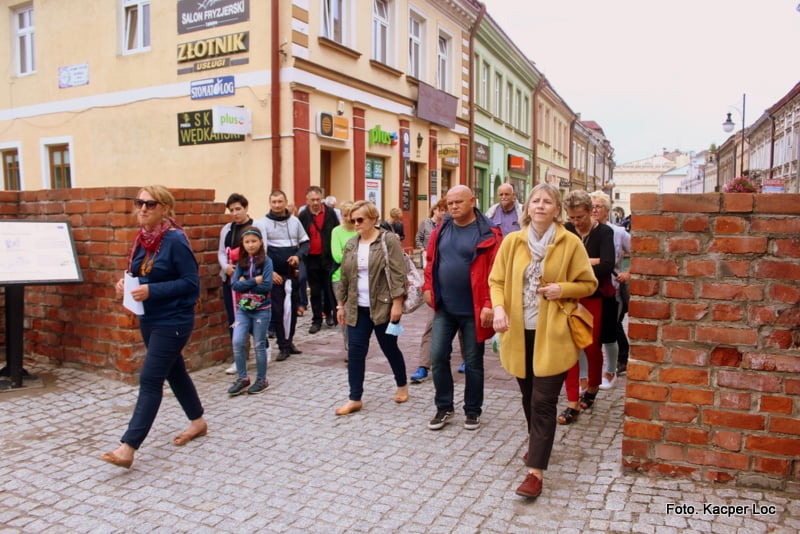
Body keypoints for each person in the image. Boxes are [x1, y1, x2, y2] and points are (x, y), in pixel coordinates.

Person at [489, 182, 597, 498]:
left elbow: (588, 284)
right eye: (535, 200)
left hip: (554, 334)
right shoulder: (513, 241)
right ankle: (538, 442)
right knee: (528, 397)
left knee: (543, 401)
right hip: (518, 333)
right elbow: (496, 281)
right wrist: (499, 308)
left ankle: (535, 473)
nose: (540, 205)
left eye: (547, 201)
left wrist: (562, 289)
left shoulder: (570, 242)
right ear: (527, 208)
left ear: (557, 209)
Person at [100, 185, 207, 469]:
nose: (143, 209)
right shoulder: (142, 238)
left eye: (150, 204)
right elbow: (139, 272)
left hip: (174, 319)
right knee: (175, 371)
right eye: (139, 203)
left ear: (165, 209)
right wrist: (125, 283)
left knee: (150, 379)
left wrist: (151, 290)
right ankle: (198, 421)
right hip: (149, 318)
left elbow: (191, 283)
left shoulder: (175, 240)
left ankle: (128, 447)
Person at [423, 185, 502, 431]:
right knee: (437, 357)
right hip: (445, 307)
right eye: (450, 203)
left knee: (473, 363)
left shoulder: (488, 233)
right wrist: (427, 287)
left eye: (459, 202)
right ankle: (444, 407)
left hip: (474, 311)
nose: (454, 206)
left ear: (472, 201)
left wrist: (489, 304)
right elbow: (430, 261)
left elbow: (496, 273)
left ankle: (472, 410)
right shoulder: (441, 229)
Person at [334, 200, 409, 415]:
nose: (356, 224)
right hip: (357, 308)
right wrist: (340, 305)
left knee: (389, 348)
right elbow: (345, 277)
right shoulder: (352, 244)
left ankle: (402, 384)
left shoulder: (388, 240)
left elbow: (398, 273)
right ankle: (354, 398)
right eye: (353, 220)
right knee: (356, 352)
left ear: (373, 219)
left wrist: (397, 304)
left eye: (360, 219)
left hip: (383, 307)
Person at [562, 190, 615, 421]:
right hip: (570, 296)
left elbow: (606, 266)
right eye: (572, 217)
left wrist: (577, 264)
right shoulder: (566, 229)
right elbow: (560, 262)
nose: (576, 222)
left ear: (591, 211)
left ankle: (592, 387)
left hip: (595, 297)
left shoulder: (604, 232)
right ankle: (572, 401)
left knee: (591, 347)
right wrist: (590, 262)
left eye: (580, 217)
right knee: (569, 348)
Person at [409, 198, 462, 384]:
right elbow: (430, 264)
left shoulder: (468, 231)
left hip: (462, 291)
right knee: (431, 327)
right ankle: (423, 366)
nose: (447, 212)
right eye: (444, 208)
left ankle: (467, 360)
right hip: (439, 289)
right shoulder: (435, 232)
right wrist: (428, 288)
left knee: (464, 327)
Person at [218, 193, 266, 374]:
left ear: (246, 208)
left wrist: (249, 273)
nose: (235, 213)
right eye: (231, 210)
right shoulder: (227, 230)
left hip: (251, 280)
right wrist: (226, 267)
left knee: (254, 315)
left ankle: (264, 347)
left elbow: (263, 251)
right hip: (231, 280)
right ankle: (239, 358)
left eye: (238, 209)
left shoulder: (256, 226)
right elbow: (221, 252)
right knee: (235, 319)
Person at [259, 190, 309, 362]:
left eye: (280, 201)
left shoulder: (295, 222)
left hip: (291, 274)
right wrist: (269, 272)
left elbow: (305, 243)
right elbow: (260, 251)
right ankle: (282, 345)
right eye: (274, 202)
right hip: (275, 276)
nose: (277, 205)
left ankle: (289, 341)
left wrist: (298, 256)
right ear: (270, 203)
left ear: (286, 202)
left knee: (292, 310)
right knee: (279, 311)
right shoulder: (262, 223)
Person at [590, 191, 631, 388]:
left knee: (610, 330)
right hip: (589, 289)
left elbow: (640, 252)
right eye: (591, 206)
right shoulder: (585, 231)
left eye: (598, 206)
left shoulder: (619, 232)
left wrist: (628, 273)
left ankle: (611, 371)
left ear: (607, 210)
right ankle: (590, 376)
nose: (594, 210)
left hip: (612, 289)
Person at [227, 226, 274, 396]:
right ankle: (243, 378)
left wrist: (245, 282)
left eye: (254, 241)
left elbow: (267, 285)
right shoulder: (242, 262)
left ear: (260, 242)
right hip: (244, 309)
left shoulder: (267, 261)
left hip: (262, 309)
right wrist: (255, 280)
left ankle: (262, 379)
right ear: (243, 244)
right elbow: (235, 285)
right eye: (247, 242)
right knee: (237, 341)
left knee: (259, 344)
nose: (251, 245)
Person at [298, 185, 340, 334]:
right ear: (307, 200)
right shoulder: (303, 215)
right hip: (311, 259)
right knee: (315, 291)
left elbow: (336, 231)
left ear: (321, 199)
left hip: (328, 257)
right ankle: (316, 319)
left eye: (318, 199)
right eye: (312, 200)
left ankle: (328, 313)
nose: (315, 202)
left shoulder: (330, 213)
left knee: (328, 289)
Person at [330, 201, 357, 358]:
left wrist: (346, 252)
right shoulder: (336, 231)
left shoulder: (359, 230)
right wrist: (355, 255)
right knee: (345, 312)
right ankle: (349, 347)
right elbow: (337, 256)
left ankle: (358, 344)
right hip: (340, 277)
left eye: (350, 215)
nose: (348, 218)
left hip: (360, 277)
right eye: (345, 215)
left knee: (359, 312)